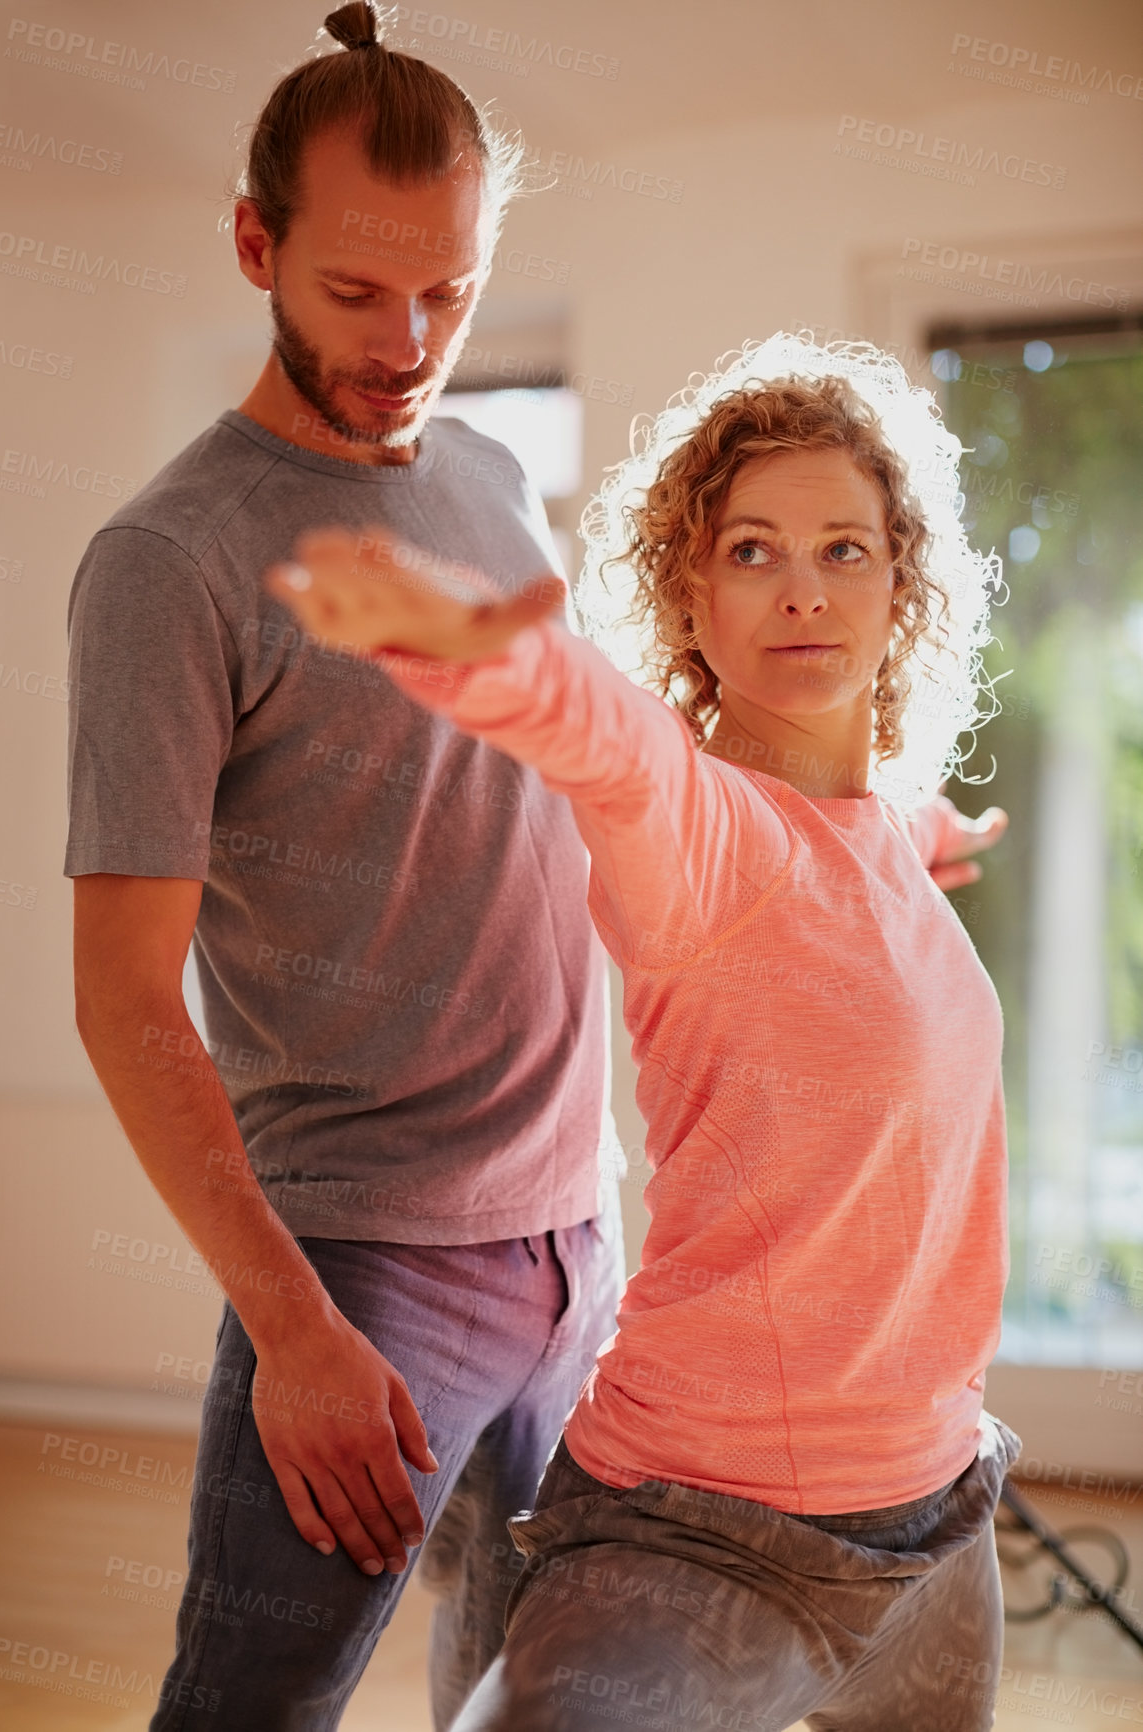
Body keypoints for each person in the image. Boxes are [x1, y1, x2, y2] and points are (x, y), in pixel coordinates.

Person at [267, 332, 1022, 1732]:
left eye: (843, 550)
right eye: (750, 551)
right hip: (704, 1529)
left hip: (938, 1515)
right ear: (689, 586)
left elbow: (844, 852)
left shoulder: (870, 833)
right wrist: (485, 652)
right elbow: (605, 741)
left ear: (899, 584)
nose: (801, 591)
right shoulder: (698, 829)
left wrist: (927, 832)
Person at [64, 5, 627, 1727]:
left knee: (539, 1693)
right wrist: (298, 1334)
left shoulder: (487, 474)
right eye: (356, 291)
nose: (409, 341)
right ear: (257, 243)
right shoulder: (171, 562)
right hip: (368, 1276)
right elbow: (119, 1001)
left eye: (448, 292)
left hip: (576, 1240)